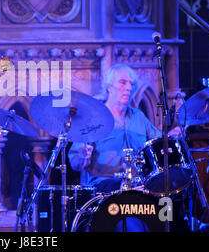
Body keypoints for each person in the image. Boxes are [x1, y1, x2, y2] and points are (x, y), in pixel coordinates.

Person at [68, 63, 175, 193]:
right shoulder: (93, 118)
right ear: (109, 87)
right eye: (123, 82)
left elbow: (158, 145)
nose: (129, 88)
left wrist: (171, 137)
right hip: (102, 187)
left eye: (132, 84)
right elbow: (75, 164)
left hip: (137, 185)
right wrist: (82, 156)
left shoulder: (139, 117)